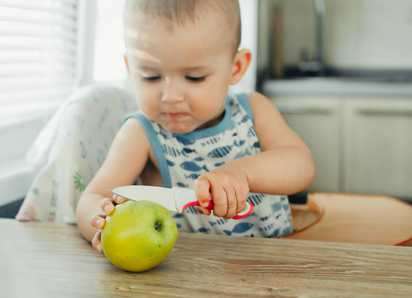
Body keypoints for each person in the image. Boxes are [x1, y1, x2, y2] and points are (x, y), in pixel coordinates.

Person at [75, 0, 315, 252]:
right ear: (130, 69)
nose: (171, 95)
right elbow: (91, 199)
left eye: (194, 77)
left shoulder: (254, 110)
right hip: (189, 277)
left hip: (275, 261)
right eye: (151, 77)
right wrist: (104, 225)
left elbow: (301, 164)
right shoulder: (140, 133)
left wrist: (241, 173)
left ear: (236, 67)